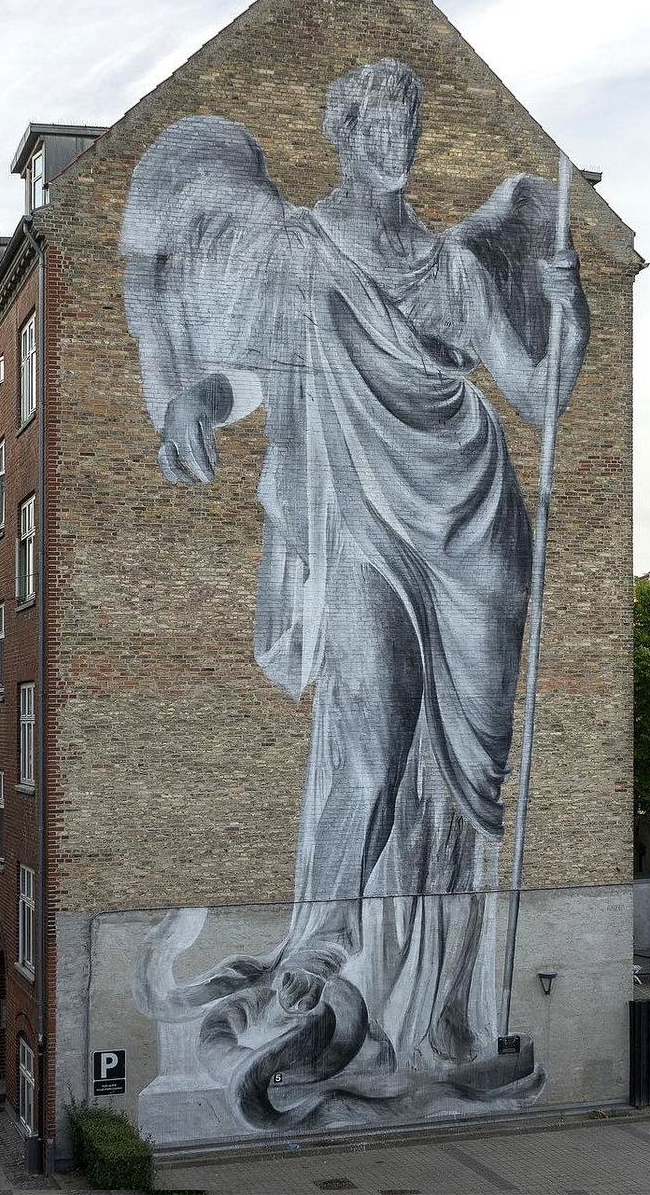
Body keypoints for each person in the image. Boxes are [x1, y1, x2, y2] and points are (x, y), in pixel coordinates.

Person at [124, 58, 589, 1123]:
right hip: (359, 516)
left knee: (466, 781)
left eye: (406, 125)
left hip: (472, 510)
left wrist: (561, 318)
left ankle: (440, 1017)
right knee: (368, 741)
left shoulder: (452, 265)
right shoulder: (299, 246)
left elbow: (534, 397)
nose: (395, 143)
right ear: (339, 134)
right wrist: (199, 395)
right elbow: (263, 369)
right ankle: (313, 964)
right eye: (375, 125)